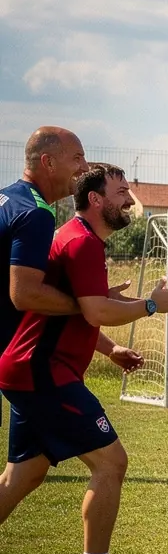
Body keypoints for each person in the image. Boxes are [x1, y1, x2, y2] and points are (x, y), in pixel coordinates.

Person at [0, 164, 168, 554]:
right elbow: (94, 310)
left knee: (22, 476)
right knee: (111, 462)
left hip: (28, 369)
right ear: (95, 200)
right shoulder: (81, 243)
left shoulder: (75, 237)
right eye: (121, 191)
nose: (129, 198)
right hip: (42, 373)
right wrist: (151, 305)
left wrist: (111, 349)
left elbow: (78, 311)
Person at [0, 128, 141, 384]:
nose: (85, 167)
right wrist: (91, 305)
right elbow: (25, 295)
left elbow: (43, 304)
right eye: (77, 158)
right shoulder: (36, 214)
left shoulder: (9, 198)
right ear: (48, 162)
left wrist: (109, 346)